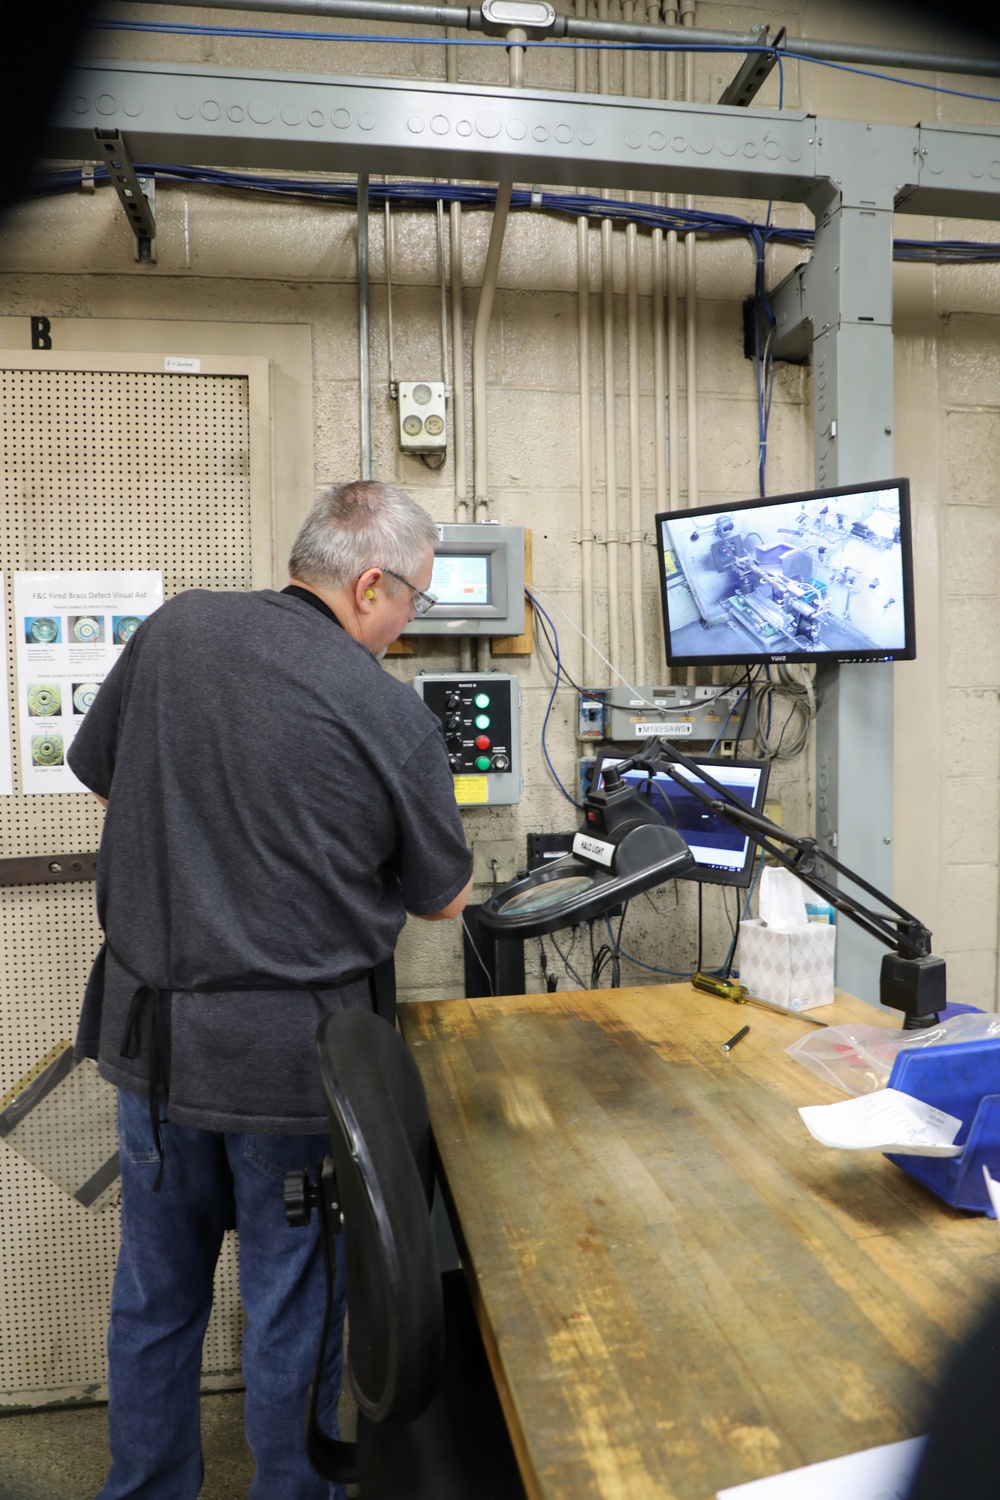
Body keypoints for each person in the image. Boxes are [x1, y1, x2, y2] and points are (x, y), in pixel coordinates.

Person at [68, 480, 474, 1500]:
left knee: (155, 1298)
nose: (404, 628)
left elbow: (102, 771)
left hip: (150, 1048)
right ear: (369, 583)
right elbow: (445, 901)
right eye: (412, 604)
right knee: (293, 1304)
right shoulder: (387, 714)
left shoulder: (176, 628)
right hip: (287, 1070)